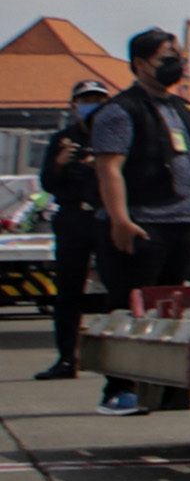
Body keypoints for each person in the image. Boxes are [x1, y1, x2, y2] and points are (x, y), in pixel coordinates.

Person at [89, 30, 190, 415]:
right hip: (141, 223)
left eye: (177, 57)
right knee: (129, 304)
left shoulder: (186, 112)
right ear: (140, 63)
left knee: (171, 306)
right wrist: (120, 219)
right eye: (167, 57)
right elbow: (109, 169)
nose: (176, 64)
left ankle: (168, 387)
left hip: (181, 221)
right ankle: (119, 388)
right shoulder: (120, 110)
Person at [31, 76, 118, 382]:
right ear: (73, 105)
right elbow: (47, 184)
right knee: (68, 291)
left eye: (98, 100)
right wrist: (59, 163)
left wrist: (99, 165)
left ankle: (119, 361)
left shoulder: (114, 137)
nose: (92, 106)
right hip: (71, 218)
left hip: (105, 216)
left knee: (117, 288)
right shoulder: (62, 139)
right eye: (86, 101)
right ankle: (67, 358)